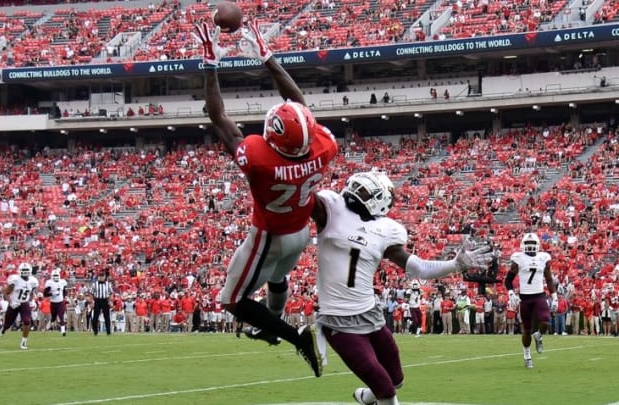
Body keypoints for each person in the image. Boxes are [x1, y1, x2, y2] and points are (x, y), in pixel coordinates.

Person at [194, 19, 339, 377]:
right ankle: (270, 324)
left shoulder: (260, 160)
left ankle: (295, 336)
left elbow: (218, 117)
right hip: (300, 231)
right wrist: (268, 57)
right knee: (277, 278)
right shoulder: (324, 147)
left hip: (268, 236)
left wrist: (211, 64)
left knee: (230, 300)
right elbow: (299, 104)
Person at [309, 171, 493, 405]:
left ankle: (365, 397)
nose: (356, 192)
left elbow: (420, 268)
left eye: (365, 191)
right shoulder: (331, 209)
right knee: (385, 389)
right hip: (338, 319)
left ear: (380, 200)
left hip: (370, 315)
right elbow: (302, 200)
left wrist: (455, 264)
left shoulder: (385, 230)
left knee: (396, 381)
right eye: (357, 187)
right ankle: (375, 395)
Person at [505, 232, 557, 369]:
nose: (530, 246)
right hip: (525, 298)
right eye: (528, 244)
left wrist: (555, 296)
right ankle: (527, 355)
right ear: (523, 245)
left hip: (539, 295)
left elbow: (549, 279)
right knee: (526, 330)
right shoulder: (518, 259)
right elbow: (508, 280)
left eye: (532, 244)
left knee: (545, 321)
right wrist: (511, 293)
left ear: (537, 245)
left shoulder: (543, 258)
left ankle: (539, 336)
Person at [0, 262, 39, 350]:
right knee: (8, 323)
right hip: (14, 303)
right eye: (23, 270)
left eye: (27, 270)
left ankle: (24, 341)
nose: (25, 272)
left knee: (27, 321)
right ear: (20, 271)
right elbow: (5, 293)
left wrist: (31, 300)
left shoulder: (33, 281)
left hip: (24, 303)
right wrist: (10, 302)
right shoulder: (15, 280)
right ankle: (4, 329)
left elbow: (31, 293)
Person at [43, 269, 68, 336]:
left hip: (60, 302)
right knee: (53, 317)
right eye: (54, 275)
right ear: (51, 276)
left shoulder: (62, 282)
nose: (56, 277)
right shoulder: (49, 283)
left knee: (61, 316)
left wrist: (64, 296)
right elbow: (45, 294)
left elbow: (64, 291)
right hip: (53, 303)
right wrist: (52, 294)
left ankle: (63, 331)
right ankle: (48, 327)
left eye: (57, 275)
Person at [89, 270, 113, 336]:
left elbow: (111, 293)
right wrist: (91, 302)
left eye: (102, 276)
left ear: (105, 277)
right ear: (98, 277)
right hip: (97, 300)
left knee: (107, 317)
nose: (101, 277)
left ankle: (108, 332)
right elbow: (91, 293)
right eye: (100, 276)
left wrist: (110, 301)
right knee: (95, 317)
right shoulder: (95, 284)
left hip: (105, 300)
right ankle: (95, 331)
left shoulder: (108, 284)